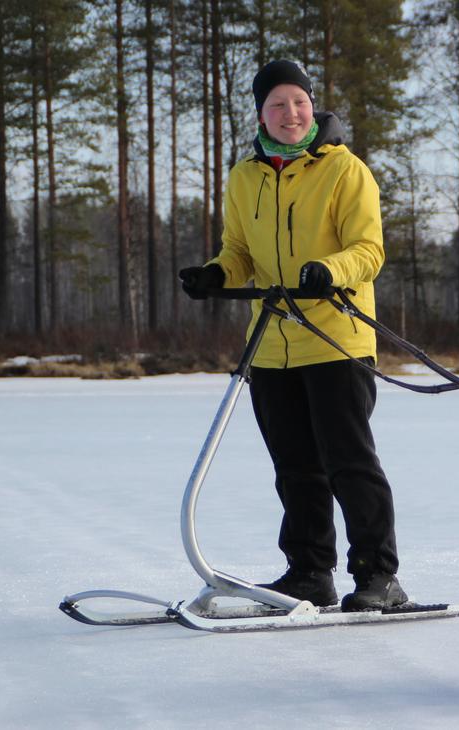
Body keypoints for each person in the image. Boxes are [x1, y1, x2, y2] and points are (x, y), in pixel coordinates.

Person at [178, 59, 405, 612]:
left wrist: (329, 270)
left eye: (298, 102)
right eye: (277, 104)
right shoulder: (244, 176)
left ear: (312, 105)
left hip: (337, 340)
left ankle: (380, 576)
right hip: (271, 347)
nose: (290, 113)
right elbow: (239, 253)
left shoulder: (345, 170)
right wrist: (216, 274)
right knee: (294, 468)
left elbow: (368, 251)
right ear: (260, 112)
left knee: (349, 463)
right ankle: (309, 573)